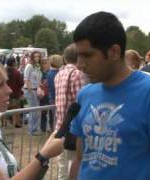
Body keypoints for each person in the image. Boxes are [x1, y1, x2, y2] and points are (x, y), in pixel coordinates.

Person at [70, 11, 150, 180]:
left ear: (114, 52)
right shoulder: (85, 94)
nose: (79, 64)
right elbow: (80, 159)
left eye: (87, 55)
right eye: (77, 56)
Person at [55, 44, 87, 180]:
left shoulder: (59, 74)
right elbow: (82, 102)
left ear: (64, 58)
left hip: (59, 125)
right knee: (73, 162)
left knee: (61, 164)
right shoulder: (78, 75)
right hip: (73, 128)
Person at [23, 51, 42, 135]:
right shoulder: (29, 66)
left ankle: (33, 129)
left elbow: (37, 79)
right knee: (33, 110)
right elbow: (26, 79)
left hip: (35, 89)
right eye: (35, 56)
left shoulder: (37, 66)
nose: (37, 58)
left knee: (35, 110)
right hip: (30, 90)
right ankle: (31, 130)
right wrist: (31, 91)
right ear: (32, 57)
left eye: (38, 56)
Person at [6, 57, 24, 128]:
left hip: (5, 93)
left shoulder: (3, 71)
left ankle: (4, 124)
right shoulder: (17, 72)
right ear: (14, 63)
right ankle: (16, 123)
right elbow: (21, 83)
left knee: (5, 109)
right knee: (16, 109)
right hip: (15, 94)